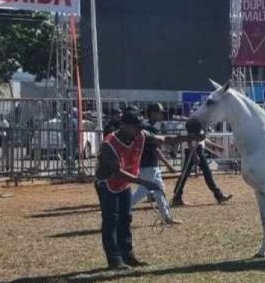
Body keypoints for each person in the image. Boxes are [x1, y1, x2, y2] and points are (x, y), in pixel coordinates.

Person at [94, 110, 168, 270]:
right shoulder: (109, 144)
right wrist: (144, 182)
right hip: (108, 184)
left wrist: (190, 137)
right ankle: (114, 259)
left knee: (125, 219)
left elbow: (163, 139)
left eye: (139, 127)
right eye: (135, 127)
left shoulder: (139, 135)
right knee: (111, 220)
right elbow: (117, 172)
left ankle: (128, 255)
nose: (138, 131)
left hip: (124, 184)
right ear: (123, 125)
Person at [129, 103, 182, 226]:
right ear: (152, 113)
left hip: (151, 164)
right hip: (148, 165)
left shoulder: (148, 126)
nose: (161, 114)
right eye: (159, 112)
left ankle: (166, 217)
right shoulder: (150, 128)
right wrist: (168, 165)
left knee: (159, 191)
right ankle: (118, 212)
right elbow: (155, 150)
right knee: (142, 191)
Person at [171, 117, 232, 207]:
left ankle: (219, 195)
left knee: (206, 173)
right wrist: (194, 154)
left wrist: (215, 146)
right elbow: (189, 142)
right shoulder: (192, 127)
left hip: (198, 150)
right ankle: (177, 197)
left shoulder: (198, 127)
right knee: (185, 175)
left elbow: (202, 140)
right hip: (192, 151)